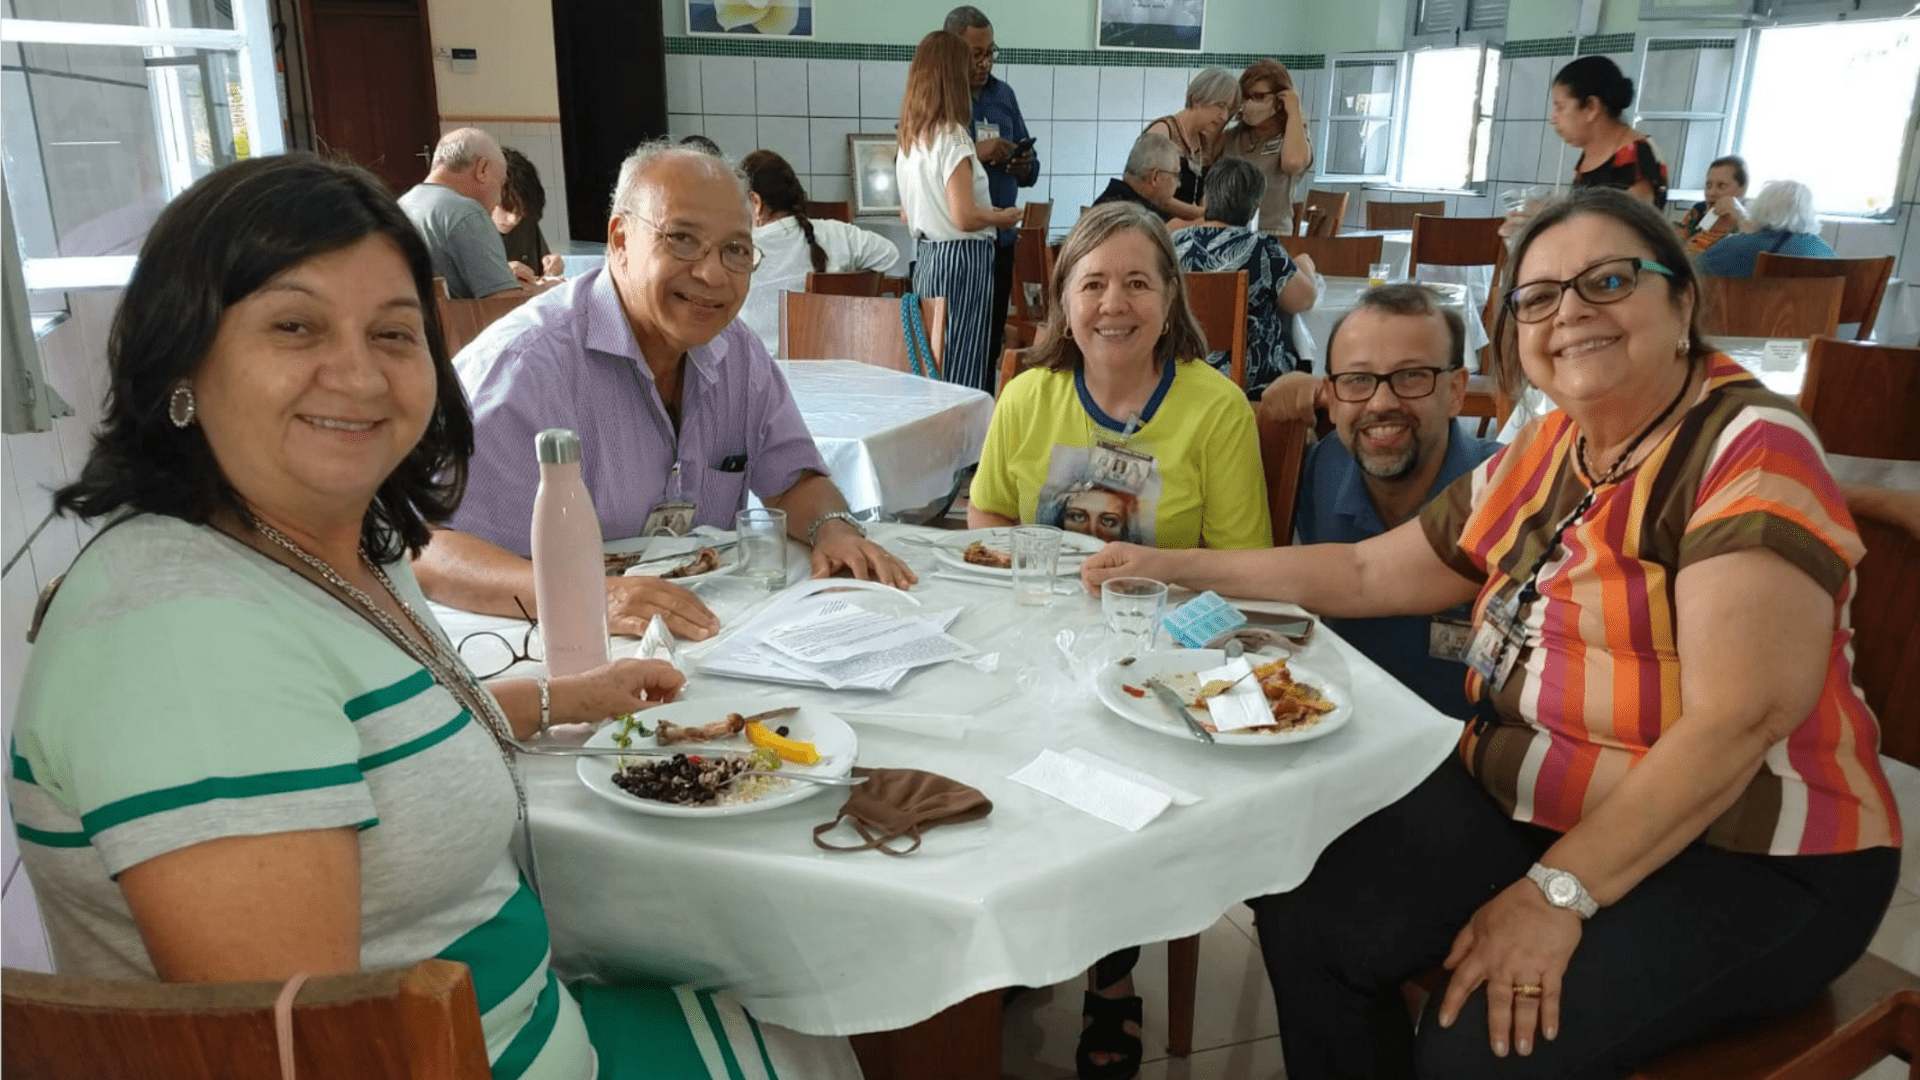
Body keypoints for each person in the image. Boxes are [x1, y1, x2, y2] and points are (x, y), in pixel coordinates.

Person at [8, 151, 863, 1079]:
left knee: (815, 1015)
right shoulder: (183, 639)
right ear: (181, 358)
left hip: (518, 1012)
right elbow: (299, 1049)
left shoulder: (327, 542)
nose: (359, 375)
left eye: (394, 333)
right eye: (295, 326)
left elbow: (367, 735)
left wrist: (562, 695)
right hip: (463, 1054)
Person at [1084, 185, 1900, 1079]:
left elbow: (1738, 720)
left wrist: (1557, 893)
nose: (1571, 313)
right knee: (1306, 906)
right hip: (1536, 802)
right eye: (1539, 297)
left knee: (1478, 1040)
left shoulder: (1747, 446)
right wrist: (1171, 567)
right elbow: (1364, 571)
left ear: (1682, 304)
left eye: (1609, 281)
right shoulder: (1553, 449)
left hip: (1750, 852)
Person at [973, 202, 1268, 1080]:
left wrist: (1148, 565)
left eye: (1138, 281)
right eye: (1092, 283)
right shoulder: (1028, 396)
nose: (1114, 303)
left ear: (1170, 299)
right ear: (1063, 302)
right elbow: (986, 515)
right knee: (987, 744)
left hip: (1159, 646)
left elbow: (1244, 565)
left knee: (1115, 761)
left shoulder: (1216, 410)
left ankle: (1111, 976)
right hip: (1035, 634)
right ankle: (1021, 936)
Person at [415, 142, 916, 644]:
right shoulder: (523, 367)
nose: (712, 274)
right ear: (620, 240)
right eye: (681, 239)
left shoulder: (735, 351)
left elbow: (792, 480)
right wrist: (592, 596)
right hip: (549, 645)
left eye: (736, 250)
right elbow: (426, 547)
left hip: (706, 636)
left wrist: (832, 526)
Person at [1255, 284, 1500, 716]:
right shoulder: (1325, 468)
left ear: (1457, 391)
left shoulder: (1507, 489)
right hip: (1339, 732)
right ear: (1331, 395)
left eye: (1412, 377)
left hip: (1471, 750)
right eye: (1358, 380)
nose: (1382, 402)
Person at [895, 29, 1024, 395]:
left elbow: (907, 214)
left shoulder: (911, 138)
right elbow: (965, 216)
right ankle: (964, 450)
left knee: (931, 360)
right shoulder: (952, 137)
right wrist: (1003, 216)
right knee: (963, 370)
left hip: (929, 258)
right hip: (963, 261)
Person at [945, 5, 1041, 373]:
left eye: (990, 53)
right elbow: (935, 163)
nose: (985, 63)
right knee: (956, 346)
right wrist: (976, 152)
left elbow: (1031, 169)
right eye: (976, 54)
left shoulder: (1005, 95)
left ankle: (986, 418)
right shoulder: (943, 99)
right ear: (954, 51)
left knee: (988, 346)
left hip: (1000, 241)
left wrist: (1023, 164)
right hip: (961, 242)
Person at [1171, 156, 1318, 393]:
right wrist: (1304, 266)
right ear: (1254, 207)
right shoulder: (1262, 249)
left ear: (1206, 199)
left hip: (1180, 370)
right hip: (1249, 380)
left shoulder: (1174, 243)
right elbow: (1303, 300)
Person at [737, 149, 900, 356]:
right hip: (835, 368)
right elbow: (889, 254)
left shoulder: (740, 249)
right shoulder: (837, 232)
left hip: (764, 373)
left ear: (756, 202)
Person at [398, 127, 523, 299]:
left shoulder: (402, 205)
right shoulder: (466, 213)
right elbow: (504, 305)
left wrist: (503, 274)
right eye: (501, 183)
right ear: (483, 169)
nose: (499, 200)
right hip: (462, 325)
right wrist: (548, 291)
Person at [1552, 56, 1669, 210]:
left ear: (1591, 107)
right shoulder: (1591, 154)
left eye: (1560, 107)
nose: (1553, 118)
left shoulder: (1638, 154)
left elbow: (1626, 226)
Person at [1220, 59, 1314, 231]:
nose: (1249, 103)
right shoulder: (1234, 136)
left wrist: (1293, 109)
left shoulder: (1294, 136)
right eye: (1245, 97)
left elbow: (1293, 163)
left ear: (1280, 99)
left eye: (1258, 96)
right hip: (1230, 231)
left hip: (1272, 232)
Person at [1141, 67, 1240, 223]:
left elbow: (1203, 193)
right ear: (1197, 99)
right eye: (1220, 106)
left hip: (1186, 230)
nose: (1224, 116)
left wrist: (1205, 220)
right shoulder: (1163, 132)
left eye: (1228, 109)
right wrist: (1201, 215)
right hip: (1154, 227)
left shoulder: (1203, 140)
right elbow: (1150, 192)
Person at [1693, 179, 1835, 278]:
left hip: (1757, 320)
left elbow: (1689, 271)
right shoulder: (1825, 251)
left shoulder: (1740, 245)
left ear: (1759, 207)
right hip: (1823, 321)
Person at [496, 146, 566, 280]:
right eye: (506, 208)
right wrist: (498, 273)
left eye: (521, 212)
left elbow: (542, 271)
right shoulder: (468, 225)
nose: (513, 219)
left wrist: (554, 263)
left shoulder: (526, 220)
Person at [1092, 132, 1181, 223]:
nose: (1178, 184)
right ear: (1155, 177)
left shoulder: (1111, 199)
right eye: (1175, 175)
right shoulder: (1135, 217)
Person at [1676, 154, 1747, 256]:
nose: (1711, 193)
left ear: (1741, 190)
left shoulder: (1747, 225)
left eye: (1721, 186)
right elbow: (1674, 246)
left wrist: (1740, 216)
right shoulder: (1698, 210)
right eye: (1708, 186)